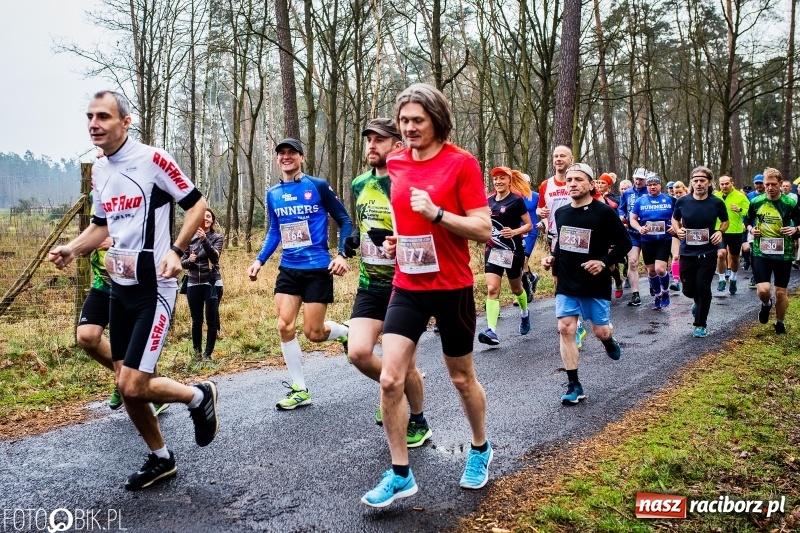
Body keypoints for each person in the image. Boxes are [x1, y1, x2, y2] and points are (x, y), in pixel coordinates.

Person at [49, 90, 219, 491]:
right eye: (90, 116)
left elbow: (197, 205)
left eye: (103, 116)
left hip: (154, 287)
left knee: (131, 383)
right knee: (126, 384)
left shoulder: (152, 159)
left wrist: (177, 250)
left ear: (125, 122)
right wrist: (73, 248)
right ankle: (161, 457)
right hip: (119, 287)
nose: (94, 124)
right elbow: (101, 225)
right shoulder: (99, 170)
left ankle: (198, 396)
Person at [360, 83, 492, 508]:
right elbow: (406, 220)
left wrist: (437, 214)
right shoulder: (396, 162)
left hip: (452, 287)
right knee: (390, 378)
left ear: (437, 120)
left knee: (461, 378)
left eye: (418, 120)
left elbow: (483, 228)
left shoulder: (461, 163)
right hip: (408, 285)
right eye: (404, 121)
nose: (409, 127)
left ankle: (480, 448)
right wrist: (399, 242)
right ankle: (400, 473)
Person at [247, 137, 353, 410]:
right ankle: (300, 389)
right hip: (289, 268)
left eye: (292, 152)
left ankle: (345, 332)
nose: (286, 156)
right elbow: (274, 231)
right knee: (284, 326)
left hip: (317, 268)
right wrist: (259, 261)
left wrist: (342, 254)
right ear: (277, 159)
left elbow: (344, 220)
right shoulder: (273, 193)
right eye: (281, 153)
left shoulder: (317, 186)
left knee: (313, 333)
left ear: (302, 157)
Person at [343, 117, 429, 447]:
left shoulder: (407, 184)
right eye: (369, 139)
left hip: (404, 286)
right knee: (358, 352)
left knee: (407, 366)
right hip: (369, 283)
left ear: (397, 145)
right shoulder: (359, 183)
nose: (371, 145)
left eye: (379, 140)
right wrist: (353, 240)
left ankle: (418, 420)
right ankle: (392, 389)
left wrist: (398, 241)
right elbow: (362, 223)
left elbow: (425, 233)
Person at [541, 163, 631, 405]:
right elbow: (562, 244)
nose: (572, 183)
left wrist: (603, 262)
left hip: (594, 281)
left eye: (578, 179)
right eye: (569, 180)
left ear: (591, 184)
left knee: (600, 331)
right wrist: (552, 257)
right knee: (565, 328)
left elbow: (624, 243)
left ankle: (608, 339)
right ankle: (574, 385)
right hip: (567, 280)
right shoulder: (561, 213)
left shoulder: (604, 212)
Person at [535, 145, 587, 347]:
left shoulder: (578, 180)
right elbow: (540, 208)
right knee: (558, 280)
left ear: (571, 159)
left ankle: (579, 322)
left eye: (562, 156)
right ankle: (573, 322)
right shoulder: (546, 185)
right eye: (555, 156)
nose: (558, 159)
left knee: (577, 277)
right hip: (555, 237)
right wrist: (540, 213)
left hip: (579, 235)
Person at [478, 166, 533, 345]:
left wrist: (514, 231)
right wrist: (484, 216)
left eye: (502, 178)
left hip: (512, 251)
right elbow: (481, 224)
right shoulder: (488, 200)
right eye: (496, 179)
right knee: (492, 289)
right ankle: (491, 330)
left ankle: (524, 313)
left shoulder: (516, 201)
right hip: (493, 249)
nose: (498, 181)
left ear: (509, 180)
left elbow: (529, 225)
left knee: (516, 289)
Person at [670, 167, 729, 338]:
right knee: (688, 289)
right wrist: (678, 229)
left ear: (709, 182)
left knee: (703, 287)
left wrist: (720, 232)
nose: (699, 183)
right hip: (687, 251)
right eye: (695, 180)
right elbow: (675, 218)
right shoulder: (682, 201)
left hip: (708, 251)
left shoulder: (716, 202)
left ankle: (701, 323)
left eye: (702, 180)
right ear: (691, 182)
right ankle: (697, 302)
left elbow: (725, 221)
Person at [744, 168, 800, 334]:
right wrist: (751, 229)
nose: (769, 188)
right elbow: (747, 220)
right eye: (767, 184)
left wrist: (795, 229)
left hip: (784, 253)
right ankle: (766, 304)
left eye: (773, 184)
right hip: (761, 251)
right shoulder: (756, 202)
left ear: (780, 184)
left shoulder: (790, 203)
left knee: (781, 293)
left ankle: (780, 323)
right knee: (763, 290)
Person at [181, 208, 223, 360]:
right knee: (196, 320)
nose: (206, 219)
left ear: (212, 220)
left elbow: (215, 257)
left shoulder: (217, 237)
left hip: (211, 283)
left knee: (211, 319)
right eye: (203, 216)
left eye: (208, 216)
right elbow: (182, 263)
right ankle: (197, 353)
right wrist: (189, 260)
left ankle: (208, 354)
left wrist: (204, 239)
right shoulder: (189, 239)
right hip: (193, 283)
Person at [629, 174, 675, 310]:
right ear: (647, 186)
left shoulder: (669, 199)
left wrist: (674, 227)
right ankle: (657, 295)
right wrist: (639, 228)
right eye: (649, 185)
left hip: (664, 239)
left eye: (655, 184)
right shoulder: (640, 201)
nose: (652, 187)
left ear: (660, 185)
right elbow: (632, 219)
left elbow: (679, 217)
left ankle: (665, 291)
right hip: (647, 240)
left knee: (660, 269)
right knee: (651, 271)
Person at [713, 175, 749, 295]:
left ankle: (733, 279)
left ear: (732, 183)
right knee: (721, 254)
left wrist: (740, 210)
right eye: (722, 184)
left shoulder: (740, 196)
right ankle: (722, 279)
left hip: (735, 231)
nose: (724, 186)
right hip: (719, 230)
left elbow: (749, 212)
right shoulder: (715, 196)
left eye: (727, 183)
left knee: (734, 257)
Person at [618, 167, 649, 306]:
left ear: (645, 180)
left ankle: (654, 284)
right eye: (636, 179)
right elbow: (621, 207)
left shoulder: (650, 191)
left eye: (641, 179)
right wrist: (621, 216)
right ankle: (635, 294)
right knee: (632, 262)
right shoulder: (627, 192)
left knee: (650, 265)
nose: (638, 182)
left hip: (648, 232)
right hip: (632, 232)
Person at [669, 181, 688, 290]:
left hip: (689, 233)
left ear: (685, 190)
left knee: (687, 257)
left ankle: (687, 279)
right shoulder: (673, 202)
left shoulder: (691, 200)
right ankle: (675, 281)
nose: (678, 195)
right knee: (676, 256)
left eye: (680, 192)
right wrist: (673, 226)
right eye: (676, 193)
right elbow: (671, 217)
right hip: (677, 232)